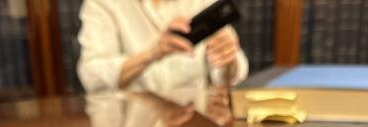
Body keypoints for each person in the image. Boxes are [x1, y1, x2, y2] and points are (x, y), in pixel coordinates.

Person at [77, 0, 249, 93]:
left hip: (194, 123)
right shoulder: (102, 4)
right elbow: (92, 76)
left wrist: (228, 60)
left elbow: (231, 76)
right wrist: (153, 53)